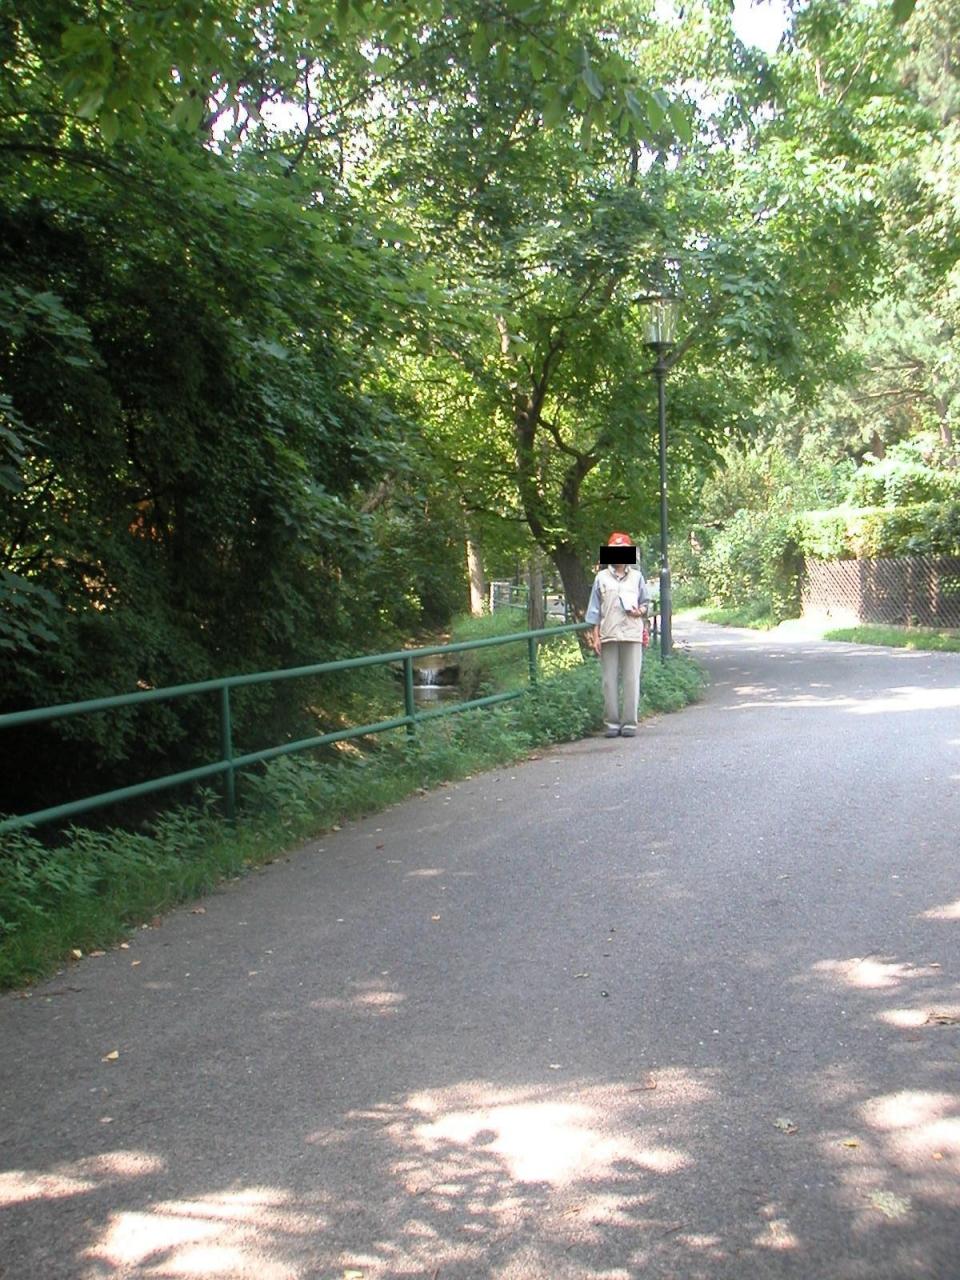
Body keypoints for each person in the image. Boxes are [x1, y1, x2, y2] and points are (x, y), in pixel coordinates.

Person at [584, 532, 652, 738]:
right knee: (609, 681)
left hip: (632, 633)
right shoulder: (601, 578)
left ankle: (629, 722)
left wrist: (640, 611)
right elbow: (594, 610)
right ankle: (612, 723)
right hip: (609, 634)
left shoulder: (637, 577)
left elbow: (646, 603)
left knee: (631, 680)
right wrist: (595, 635)